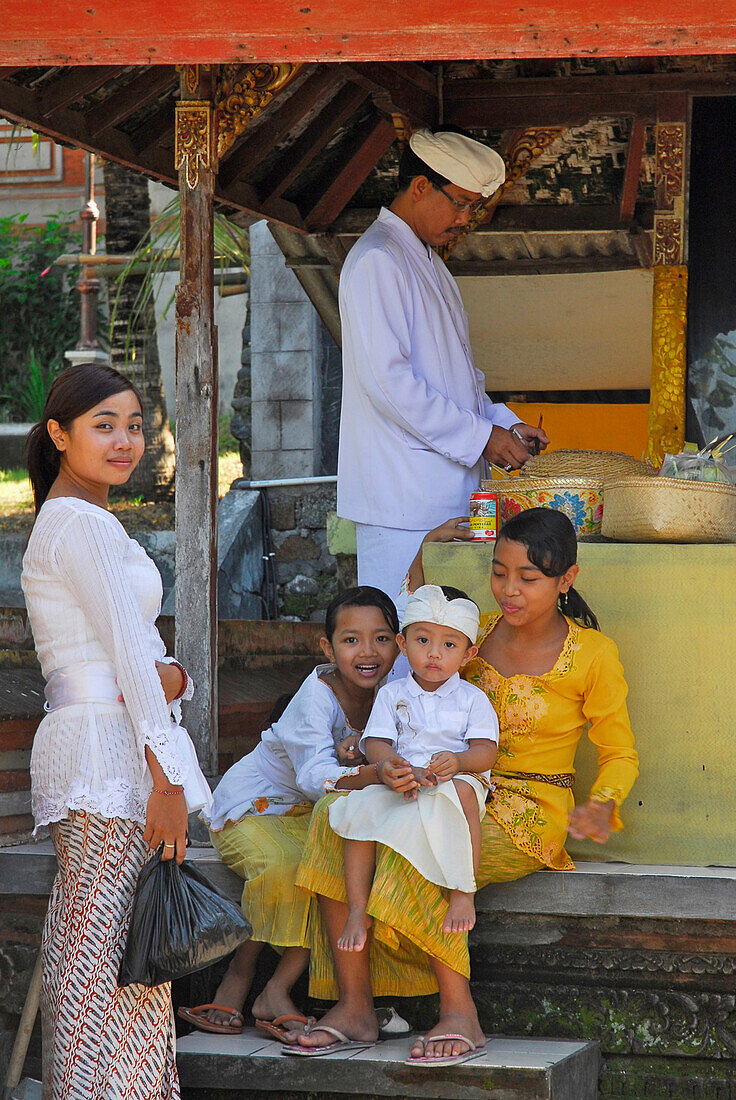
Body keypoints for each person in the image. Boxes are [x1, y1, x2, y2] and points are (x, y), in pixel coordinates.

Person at [294, 507, 638, 1064]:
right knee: (332, 816)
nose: (509, 590)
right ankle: (355, 1005)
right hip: (437, 784)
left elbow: (619, 753)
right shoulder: (465, 631)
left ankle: (461, 1013)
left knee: (422, 844)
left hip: (529, 805)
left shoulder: (593, 654)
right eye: (499, 572)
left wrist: (604, 804)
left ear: (565, 580)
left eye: (528, 579)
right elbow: (410, 625)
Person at [20, 362, 212, 1100]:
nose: (125, 440)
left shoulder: (88, 521)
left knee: (110, 948)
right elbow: (138, 657)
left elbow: (144, 656)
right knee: (107, 952)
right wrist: (166, 774)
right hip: (107, 753)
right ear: (60, 436)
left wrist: (175, 680)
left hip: (111, 740)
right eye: (105, 426)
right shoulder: (76, 522)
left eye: (134, 425)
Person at [336, 126, 549, 601]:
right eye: (460, 203)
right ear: (419, 187)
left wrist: (503, 424)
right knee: (402, 643)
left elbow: (460, 382)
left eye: (473, 207)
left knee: (447, 644)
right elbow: (389, 384)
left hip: (446, 492)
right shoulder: (378, 260)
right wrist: (481, 438)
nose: (466, 218)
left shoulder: (429, 264)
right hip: (403, 502)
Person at [177, 587, 399, 1042]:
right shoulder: (314, 697)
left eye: (381, 638)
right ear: (328, 648)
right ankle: (237, 981)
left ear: (399, 643)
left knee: (329, 872)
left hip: (315, 815)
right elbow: (313, 775)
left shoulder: (394, 695)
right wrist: (372, 771)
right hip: (255, 807)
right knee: (284, 867)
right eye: (351, 640)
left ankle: (276, 992)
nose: (367, 652)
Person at [329, 584, 498, 957]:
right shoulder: (392, 693)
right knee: (355, 810)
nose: (434, 654)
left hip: (454, 778)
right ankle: (358, 909)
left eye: (449, 646)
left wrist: (460, 762)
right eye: (423, 640)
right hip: (404, 778)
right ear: (404, 645)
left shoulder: (473, 699)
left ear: (469, 654)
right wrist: (388, 763)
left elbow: (486, 752)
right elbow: (375, 742)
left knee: (465, 795)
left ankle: (463, 892)